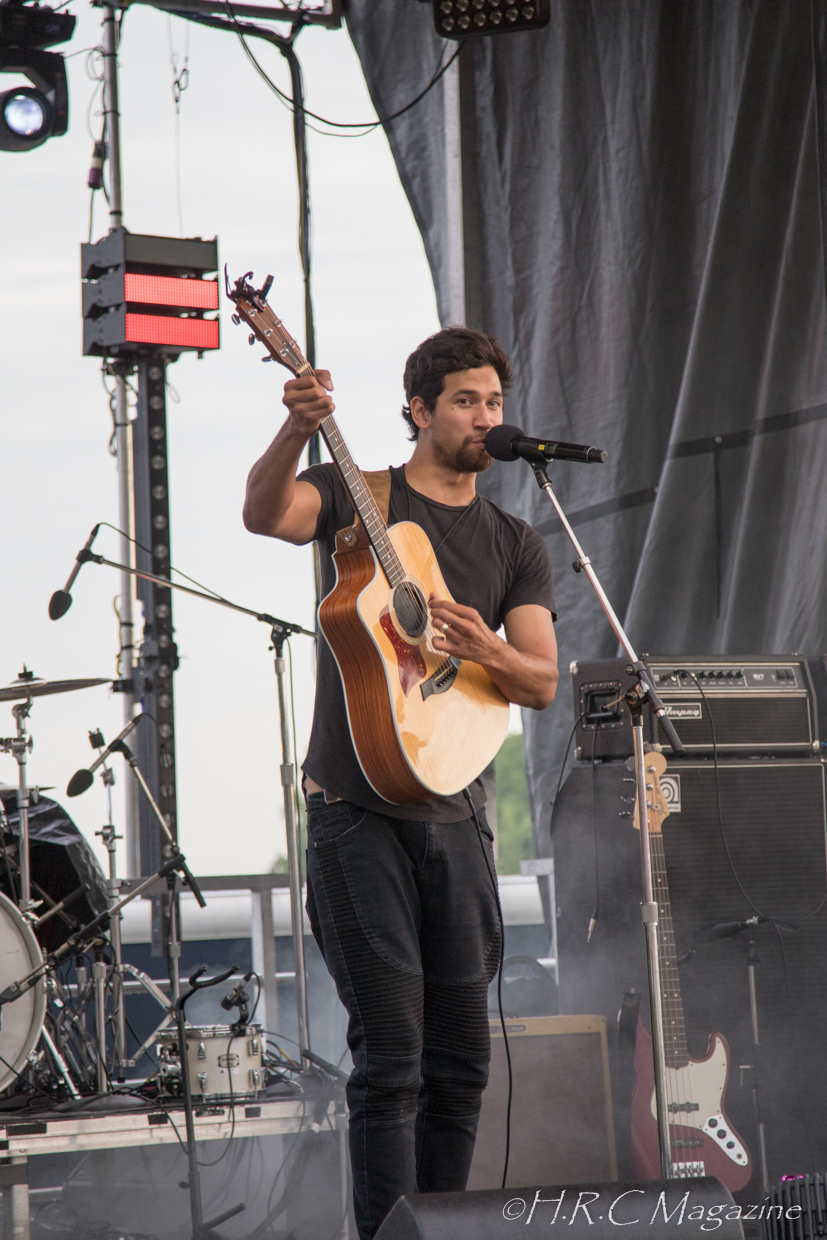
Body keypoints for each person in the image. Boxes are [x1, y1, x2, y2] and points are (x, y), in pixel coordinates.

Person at [243, 327, 558, 1239]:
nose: (484, 418)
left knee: (460, 1065)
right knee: (391, 1061)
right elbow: (266, 515)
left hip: (458, 815)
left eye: (493, 402)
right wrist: (293, 429)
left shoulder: (515, 540)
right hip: (356, 813)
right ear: (418, 410)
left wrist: (484, 646)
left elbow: (539, 681)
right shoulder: (358, 497)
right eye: (464, 401)